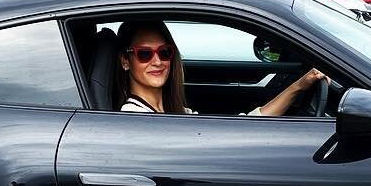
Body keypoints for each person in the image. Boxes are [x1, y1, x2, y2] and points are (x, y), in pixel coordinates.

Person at [114, 20, 326, 116]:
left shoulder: (173, 111)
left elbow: (246, 127)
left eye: (165, 52)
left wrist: (299, 86)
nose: (158, 61)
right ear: (125, 61)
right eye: (144, 54)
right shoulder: (134, 116)